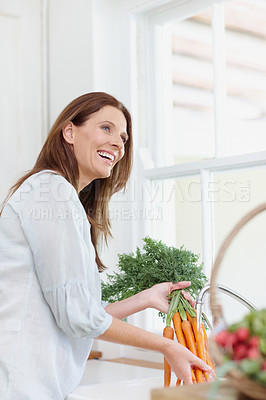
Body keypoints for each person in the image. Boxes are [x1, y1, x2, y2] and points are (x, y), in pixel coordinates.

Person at [0, 92, 211, 400]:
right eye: (106, 128)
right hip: (20, 385)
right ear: (69, 132)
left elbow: (77, 312)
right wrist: (167, 345)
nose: (118, 144)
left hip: (36, 385)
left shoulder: (60, 197)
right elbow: (79, 316)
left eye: (123, 138)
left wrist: (146, 298)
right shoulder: (51, 191)